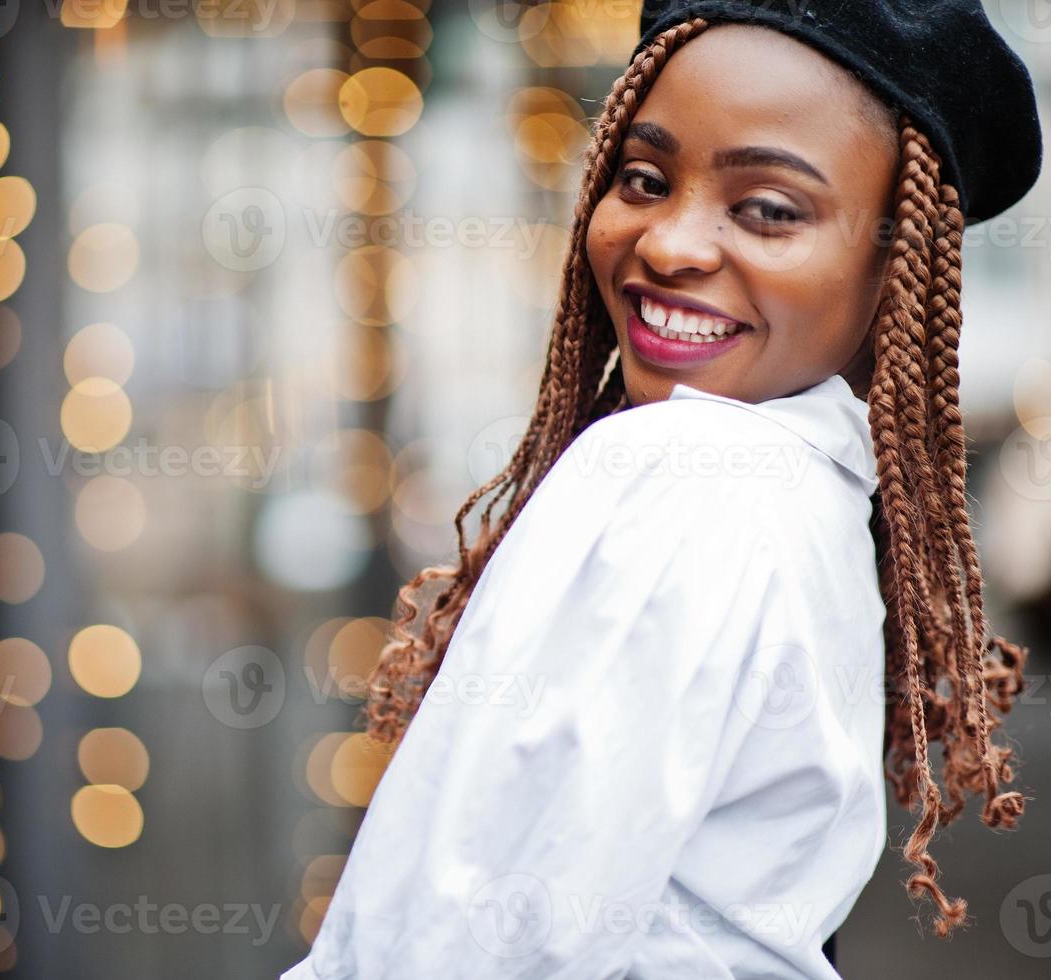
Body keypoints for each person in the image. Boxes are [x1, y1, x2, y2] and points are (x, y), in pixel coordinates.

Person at [282, 1, 1042, 977]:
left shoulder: (686, 476)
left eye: (768, 208)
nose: (670, 243)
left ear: (895, 262)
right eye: (643, 179)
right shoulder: (801, 491)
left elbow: (455, 948)